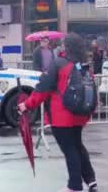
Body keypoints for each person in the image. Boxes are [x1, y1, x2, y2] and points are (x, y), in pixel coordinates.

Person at [18, 34, 97, 192]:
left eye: (62, 44)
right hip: (79, 114)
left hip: (61, 115)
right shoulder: (83, 64)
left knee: (70, 150)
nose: (60, 46)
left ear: (66, 47)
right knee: (78, 146)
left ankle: (74, 186)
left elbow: (42, 90)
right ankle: (91, 181)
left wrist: (26, 105)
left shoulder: (59, 63)